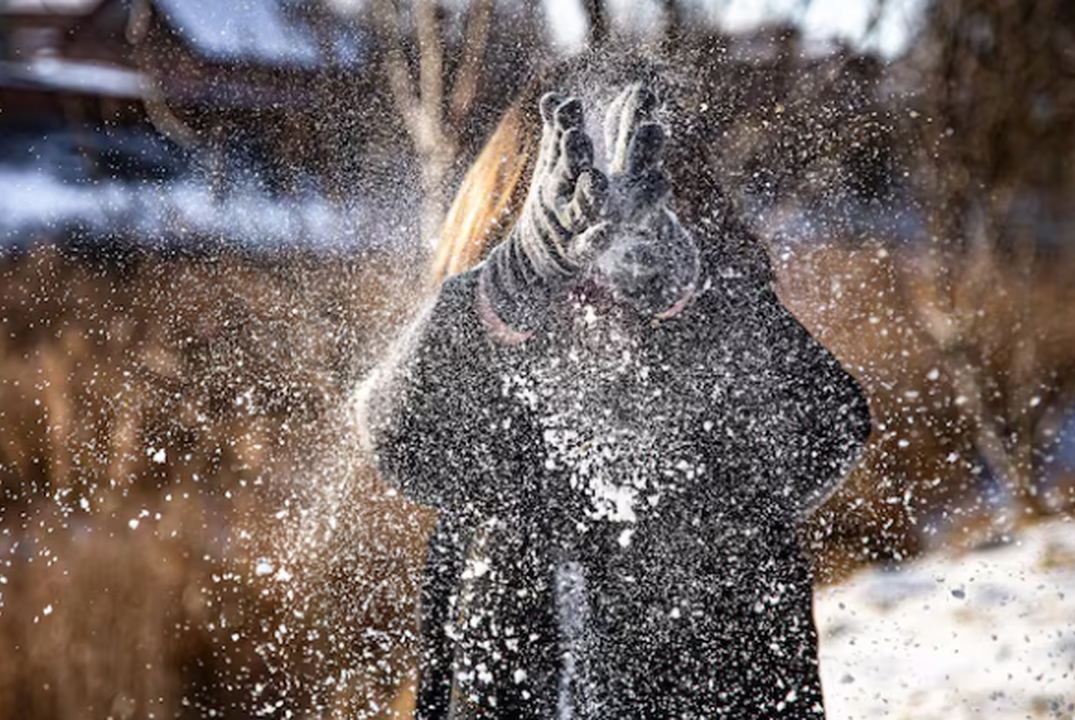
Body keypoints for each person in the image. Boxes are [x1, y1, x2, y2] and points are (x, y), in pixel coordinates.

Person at [355, 61, 871, 719]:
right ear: (512, 213)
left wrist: (694, 302)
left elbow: (826, 434)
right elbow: (400, 441)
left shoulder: (725, 351)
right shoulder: (486, 382)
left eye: (636, 200)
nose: (596, 248)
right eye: (571, 203)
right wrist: (504, 293)